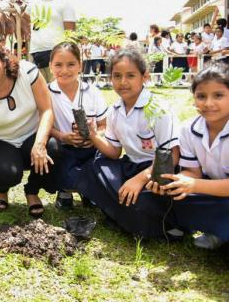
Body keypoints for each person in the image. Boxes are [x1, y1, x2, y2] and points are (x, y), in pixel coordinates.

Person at [77, 48, 179, 238]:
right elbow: (114, 152)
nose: (123, 82)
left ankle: (136, 218)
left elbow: (172, 156)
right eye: (117, 76)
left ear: (145, 77)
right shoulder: (115, 111)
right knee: (94, 168)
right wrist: (92, 135)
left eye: (130, 75)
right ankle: (127, 214)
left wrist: (140, 180)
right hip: (130, 166)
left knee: (140, 202)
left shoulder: (157, 108)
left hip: (158, 171)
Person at [0, 41, 55, 217]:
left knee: (53, 148)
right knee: (6, 172)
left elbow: (47, 110)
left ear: (4, 60)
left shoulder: (27, 73)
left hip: (31, 137)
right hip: (0, 144)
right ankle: (1, 189)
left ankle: (32, 190)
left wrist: (40, 144)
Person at [147, 63, 229, 249]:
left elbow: (197, 182)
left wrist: (194, 184)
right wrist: (176, 182)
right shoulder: (188, 130)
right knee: (172, 198)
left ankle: (217, 229)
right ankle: (216, 229)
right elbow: (192, 171)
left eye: (218, 95)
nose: (208, 103)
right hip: (212, 189)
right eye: (201, 96)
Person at [47, 43, 108, 209]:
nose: (64, 70)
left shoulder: (92, 92)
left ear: (80, 66)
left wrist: (96, 137)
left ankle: (88, 190)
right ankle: (64, 189)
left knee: (100, 159)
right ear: (50, 66)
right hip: (63, 148)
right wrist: (63, 136)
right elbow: (43, 126)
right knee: (54, 149)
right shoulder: (47, 93)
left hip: (90, 148)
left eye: (71, 64)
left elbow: (104, 124)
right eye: (58, 65)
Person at [29, 0, 76, 82]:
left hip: (55, 53)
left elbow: (70, 33)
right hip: (36, 53)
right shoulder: (36, 2)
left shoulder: (65, 3)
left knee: (57, 94)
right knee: (40, 95)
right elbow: (16, 11)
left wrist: (68, 59)